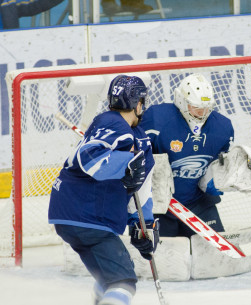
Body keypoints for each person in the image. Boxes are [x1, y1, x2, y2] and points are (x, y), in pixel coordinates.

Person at [48, 75, 159, 305]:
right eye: (142, 102)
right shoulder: (115, 125)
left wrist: (143, 227)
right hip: (89, 215)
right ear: (137, 103)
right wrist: (124, 163)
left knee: (110, 277)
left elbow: (141, 189)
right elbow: (88, 159)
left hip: (70, 215)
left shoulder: (138, 139)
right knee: (123, 281)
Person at [140, 73, 234, 237]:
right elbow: (136, 158)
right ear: (181, 101)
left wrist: (221, 176)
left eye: (207, 108)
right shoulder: (156, 120)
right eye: (196, 107)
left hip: (199, 204)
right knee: (163, 258)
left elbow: (222, 162)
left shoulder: (223, 128)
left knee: (213, 257)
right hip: (160, 206)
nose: (202, 113)